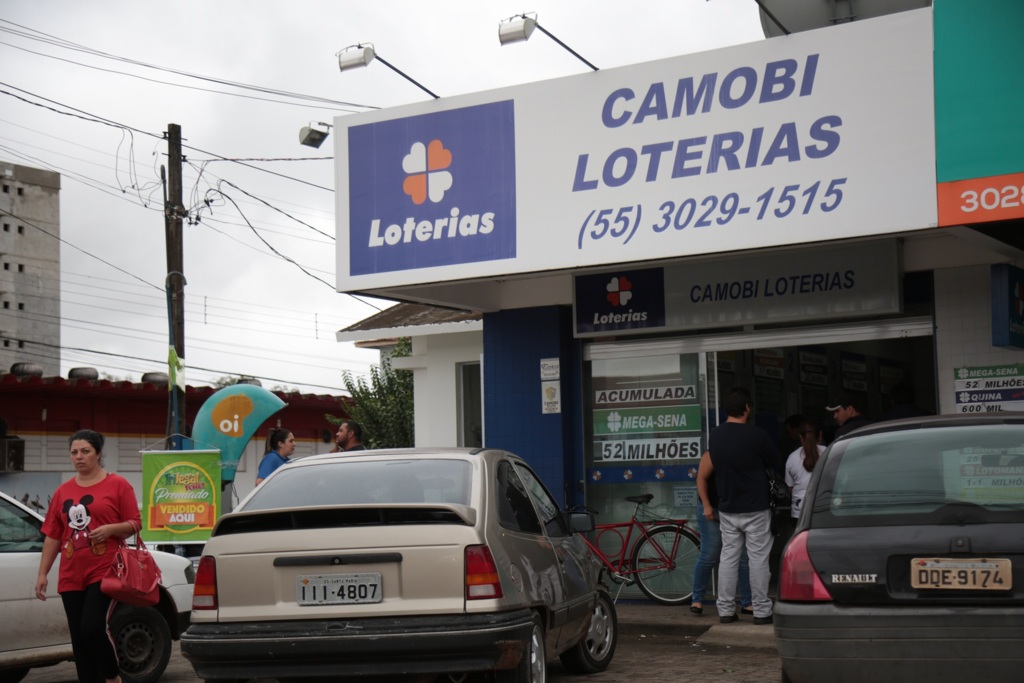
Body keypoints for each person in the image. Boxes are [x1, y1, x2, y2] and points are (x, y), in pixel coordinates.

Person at [35, 429, 141, 683]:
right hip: (71, 572)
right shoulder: (63, 492)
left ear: (99, 453)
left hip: (105, 568)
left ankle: (112, 675)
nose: (79, 457)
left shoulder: (117, 484)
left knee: (91, 628)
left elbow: (136, 523)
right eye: (74, 452)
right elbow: (53, 535)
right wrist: (42, 574)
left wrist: (111, 530)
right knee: (79, 639)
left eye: (85, 451)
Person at [697, 386, 782, 626]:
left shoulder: (715, 435)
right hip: (756, 506)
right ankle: (762, 611)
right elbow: (775, 462)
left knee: (728, 558)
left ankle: (725, 610)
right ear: (747, 408)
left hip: (727, 507)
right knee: (757, 559)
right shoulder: (757, 435)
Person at [691, 455, 754, 617]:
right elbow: (701, 479)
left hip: (735, 509)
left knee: (744, 557)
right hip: (712, 508)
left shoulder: (742, 452)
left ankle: (747, 602)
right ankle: (697, 599)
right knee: (710, 554)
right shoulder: (711, 453)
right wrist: (706, 505)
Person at [785, 420, 825, 522]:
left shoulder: (792, 458)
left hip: (799, 511)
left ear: (801, 438)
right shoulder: (829, 452)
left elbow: (790, 487)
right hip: (824, 508)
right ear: (820, 436)